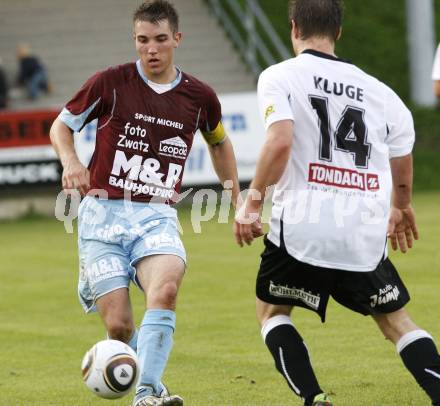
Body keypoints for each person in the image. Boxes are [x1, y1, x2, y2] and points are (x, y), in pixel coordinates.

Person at [234, 1, 440, 405]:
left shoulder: (279, 76)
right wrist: (402, 206)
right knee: (397, 322)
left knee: (272, 312)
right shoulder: (382, 93)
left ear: (294, 28)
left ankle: (315, 398)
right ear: (339, 32)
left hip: (302, 229)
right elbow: (402, 156)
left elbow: (279, 141)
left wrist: (252, 202)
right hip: (363, 231)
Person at [50, 1, 240, 405]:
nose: (150, 49)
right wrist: (70, 161)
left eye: (158, 40)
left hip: (156, 214)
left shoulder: (199, 96)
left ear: (176, 39)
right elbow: (61, 127)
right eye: (142, 40)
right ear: (135, 40)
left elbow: (219, 142)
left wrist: (239, 198)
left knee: (166, 288)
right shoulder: (110, 83)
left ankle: (147, 394)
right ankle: (152, 384)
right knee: (118, 326)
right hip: (102, 217)